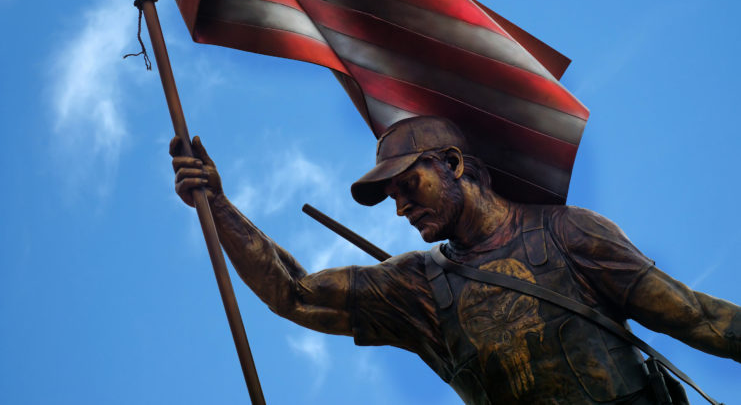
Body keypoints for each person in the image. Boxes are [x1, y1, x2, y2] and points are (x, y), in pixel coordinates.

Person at [171, 116, 741, 404]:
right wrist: (217, 206)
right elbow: (293, 292)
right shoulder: (418, 288)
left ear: (453, 164)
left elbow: (701, 319)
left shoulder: (570, 235)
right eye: (390, 197)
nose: (400, 208)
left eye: (407, 184)